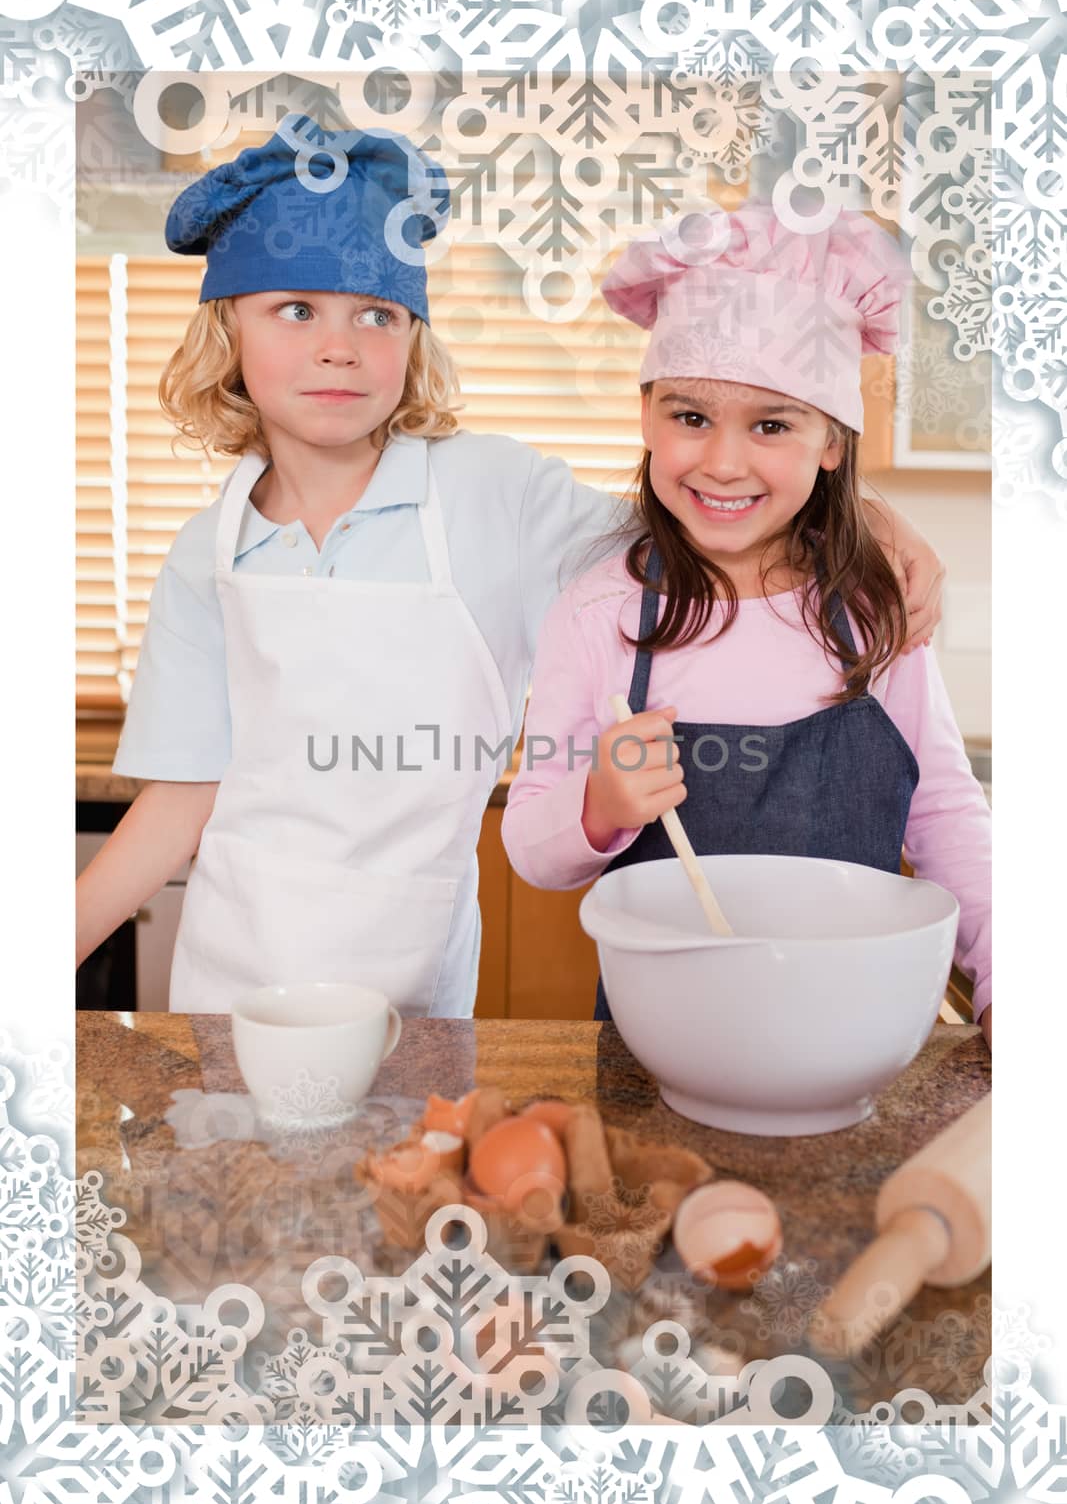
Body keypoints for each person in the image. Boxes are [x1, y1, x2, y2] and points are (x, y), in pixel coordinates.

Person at [75, 120, 947, 1020]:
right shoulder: (204, 551)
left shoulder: (494, 494)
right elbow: (180, 798)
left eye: (375, 314)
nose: (338, 347)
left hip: (408, 983)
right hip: (231, 975)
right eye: (294, 309)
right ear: (228, 330)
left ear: (412, 335)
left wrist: (868, 517)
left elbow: (708, 519)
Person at [501, 204, 991, 1048]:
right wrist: (598, 806)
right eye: (690, 417)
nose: (723, 462)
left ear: (830, 442)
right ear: (647, 415)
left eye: (771, 424)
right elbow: (530, 849)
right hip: (658, 1047)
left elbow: (945, 813)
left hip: (850, 1034)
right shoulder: (600, 612)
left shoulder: (874, 611)